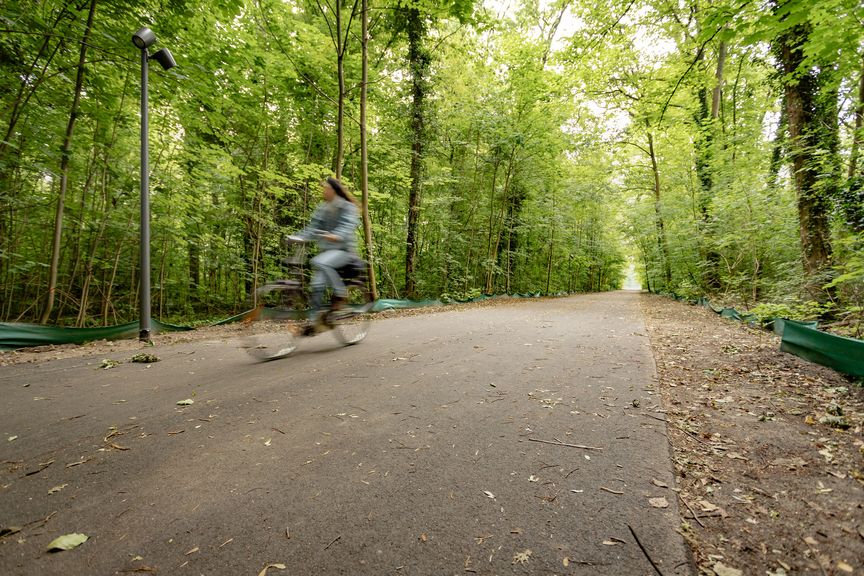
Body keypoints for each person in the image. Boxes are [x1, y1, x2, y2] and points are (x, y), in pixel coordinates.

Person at [290, 177, 360, 332]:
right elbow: (313, 228)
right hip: (327, 254)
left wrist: (336, 235)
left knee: (318, 262)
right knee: (316, 285)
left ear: (334, 190)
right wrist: (298, 237)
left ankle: (341, 293)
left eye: (326, 188)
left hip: (344, 251)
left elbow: (348, 225)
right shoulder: (322, 208)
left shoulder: (348, 207)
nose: (324, 191)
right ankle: (315, 322)